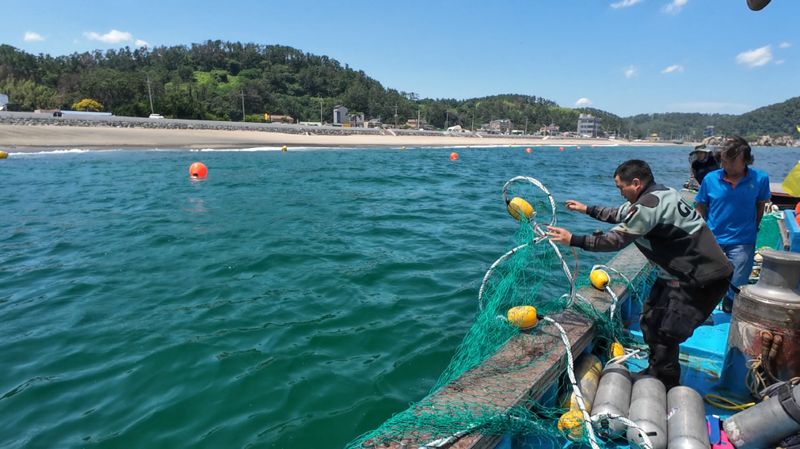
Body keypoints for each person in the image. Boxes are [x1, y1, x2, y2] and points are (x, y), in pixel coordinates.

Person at [546, 160, 732, 389]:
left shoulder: (648, 206)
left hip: (701, 278)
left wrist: (573, 240)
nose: (620, 193)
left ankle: (665, 385)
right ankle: (656, 370)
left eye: (620, 188)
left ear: (635, 183)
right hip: (677, 274)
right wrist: (586, 209)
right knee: (651, 319)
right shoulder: (661, 193)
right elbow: (619, 214)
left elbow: (615, 240)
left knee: (667, 331)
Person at [694, 136, 771, 313]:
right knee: (708, 278)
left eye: (731, 161)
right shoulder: (710, 179)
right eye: (723, 160)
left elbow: (760, 205)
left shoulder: (760, 179)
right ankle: (704, 310)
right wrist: (698, 233)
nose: (725, 165)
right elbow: (701, 207)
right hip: (713, 238)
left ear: (745, 160)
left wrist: (754, 227)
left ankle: (730, 300)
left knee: (738, 279)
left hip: (743, 239)